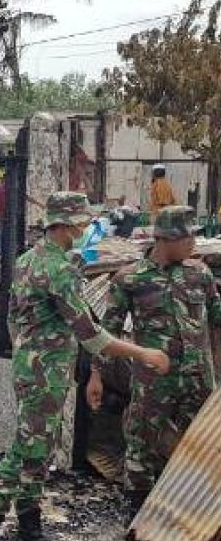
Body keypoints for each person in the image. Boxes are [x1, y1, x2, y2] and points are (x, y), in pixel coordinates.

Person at [0, 192, 171, 541]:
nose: (83, 230)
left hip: (34, 367)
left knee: (40, 448)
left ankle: (29, 531)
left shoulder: (30, 260)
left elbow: (24, 315)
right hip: (44, 372)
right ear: (64, 226)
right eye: (79, 225)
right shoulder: (56, 269)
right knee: (26, 450)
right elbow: (91, 335)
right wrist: (143, 354)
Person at [89, 206, 221, 519]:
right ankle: (137, 512)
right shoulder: (130, 279)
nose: (192, 244)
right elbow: (108, 332)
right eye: (186, 238)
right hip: (153, 381)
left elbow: (217, 319)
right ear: (164, 239)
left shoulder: (199, 274)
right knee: (141, 442)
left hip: (198, 378)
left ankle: (194, 513)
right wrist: (97, 375)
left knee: (202, 443)